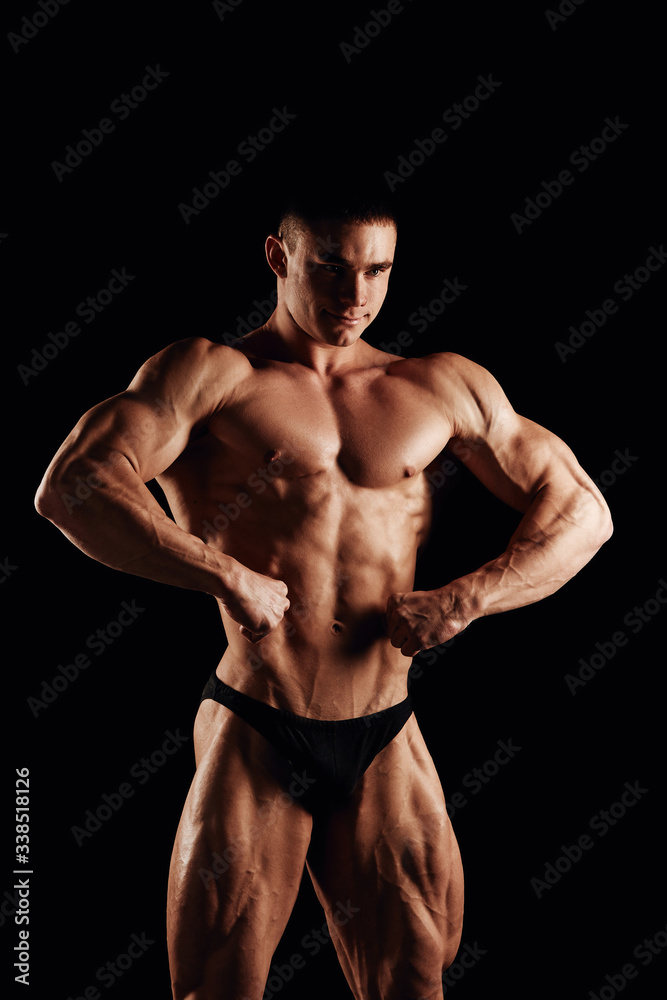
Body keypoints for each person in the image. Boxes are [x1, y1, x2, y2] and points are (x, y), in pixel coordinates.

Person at [35, 189, 613, 1000]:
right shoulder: (211, 374)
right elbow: (75, 487)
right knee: (215, 988)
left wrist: (468, 598)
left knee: (414, 979)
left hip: (384, 722)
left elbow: (584, 512)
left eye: (377, 271)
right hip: (258, 719)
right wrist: (222, 574)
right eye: (332, 269)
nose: (355, 295)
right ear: (279, 258)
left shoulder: (438, 385)